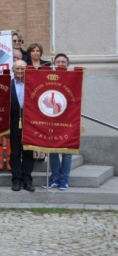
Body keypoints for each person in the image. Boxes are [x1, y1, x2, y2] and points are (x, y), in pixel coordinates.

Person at [43, 53, 73, 191]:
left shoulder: (74, 78)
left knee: (67, 151)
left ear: (67, 64)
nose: (61, 64)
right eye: (58, 61)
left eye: (63, 62)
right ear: (54, 64)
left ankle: (64, 180)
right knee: (52, 150)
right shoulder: (49, 78)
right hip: (52, 119)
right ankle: (55, 178)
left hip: (68, 119)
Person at [9, 60, 35, 192]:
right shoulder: (7, 85)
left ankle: (27, 180)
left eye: (22, 69)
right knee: (15, 153)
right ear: (13, 70)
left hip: (30, 125)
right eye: (17, 69)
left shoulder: (33, 85)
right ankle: (16, 180)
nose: (19, 71)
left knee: (28, 153)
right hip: (13, 124)